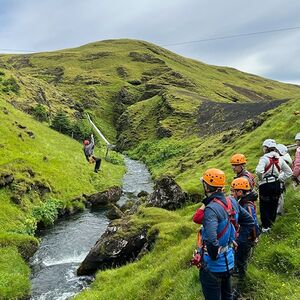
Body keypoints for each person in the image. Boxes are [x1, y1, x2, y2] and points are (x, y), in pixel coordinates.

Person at [197, 168, 254, 300]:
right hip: (229, 260)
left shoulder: (211, 209)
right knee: (227, 296)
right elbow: (249, 221)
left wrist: (212, 257)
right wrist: (236, 240)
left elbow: (211, 240)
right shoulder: (232, 201)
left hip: (213, 266)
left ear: (206, 186)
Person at [255, 139, 292, 233]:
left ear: (266, 148)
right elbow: (289, 172)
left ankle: (265, 227)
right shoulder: (280, 159)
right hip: (276, 184)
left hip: (265, 185)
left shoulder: (264, 158)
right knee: (274, 204)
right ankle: (272, 225)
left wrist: (261, 178)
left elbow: (259, 171)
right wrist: (279, 178)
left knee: (264, 205)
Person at [230, 178, 260, 281]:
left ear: (240, 192)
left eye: (233, 191)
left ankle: (242, 282)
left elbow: (252, 224)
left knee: (242, 261)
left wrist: (252, 239)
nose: (232, 193)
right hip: (245, 236)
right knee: (241, 260)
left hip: (246, 238)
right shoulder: (244, 202)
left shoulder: (246, 205)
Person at [275, 144, 292, 214]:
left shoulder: (283, 160)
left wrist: (278, 178)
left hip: (279, 182)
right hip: (280, 182)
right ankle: (279, 213)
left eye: (276, 151)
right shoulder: (285, 159)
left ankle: (278, 214)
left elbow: (284, 172)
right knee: (280, 197)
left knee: (279, 198)